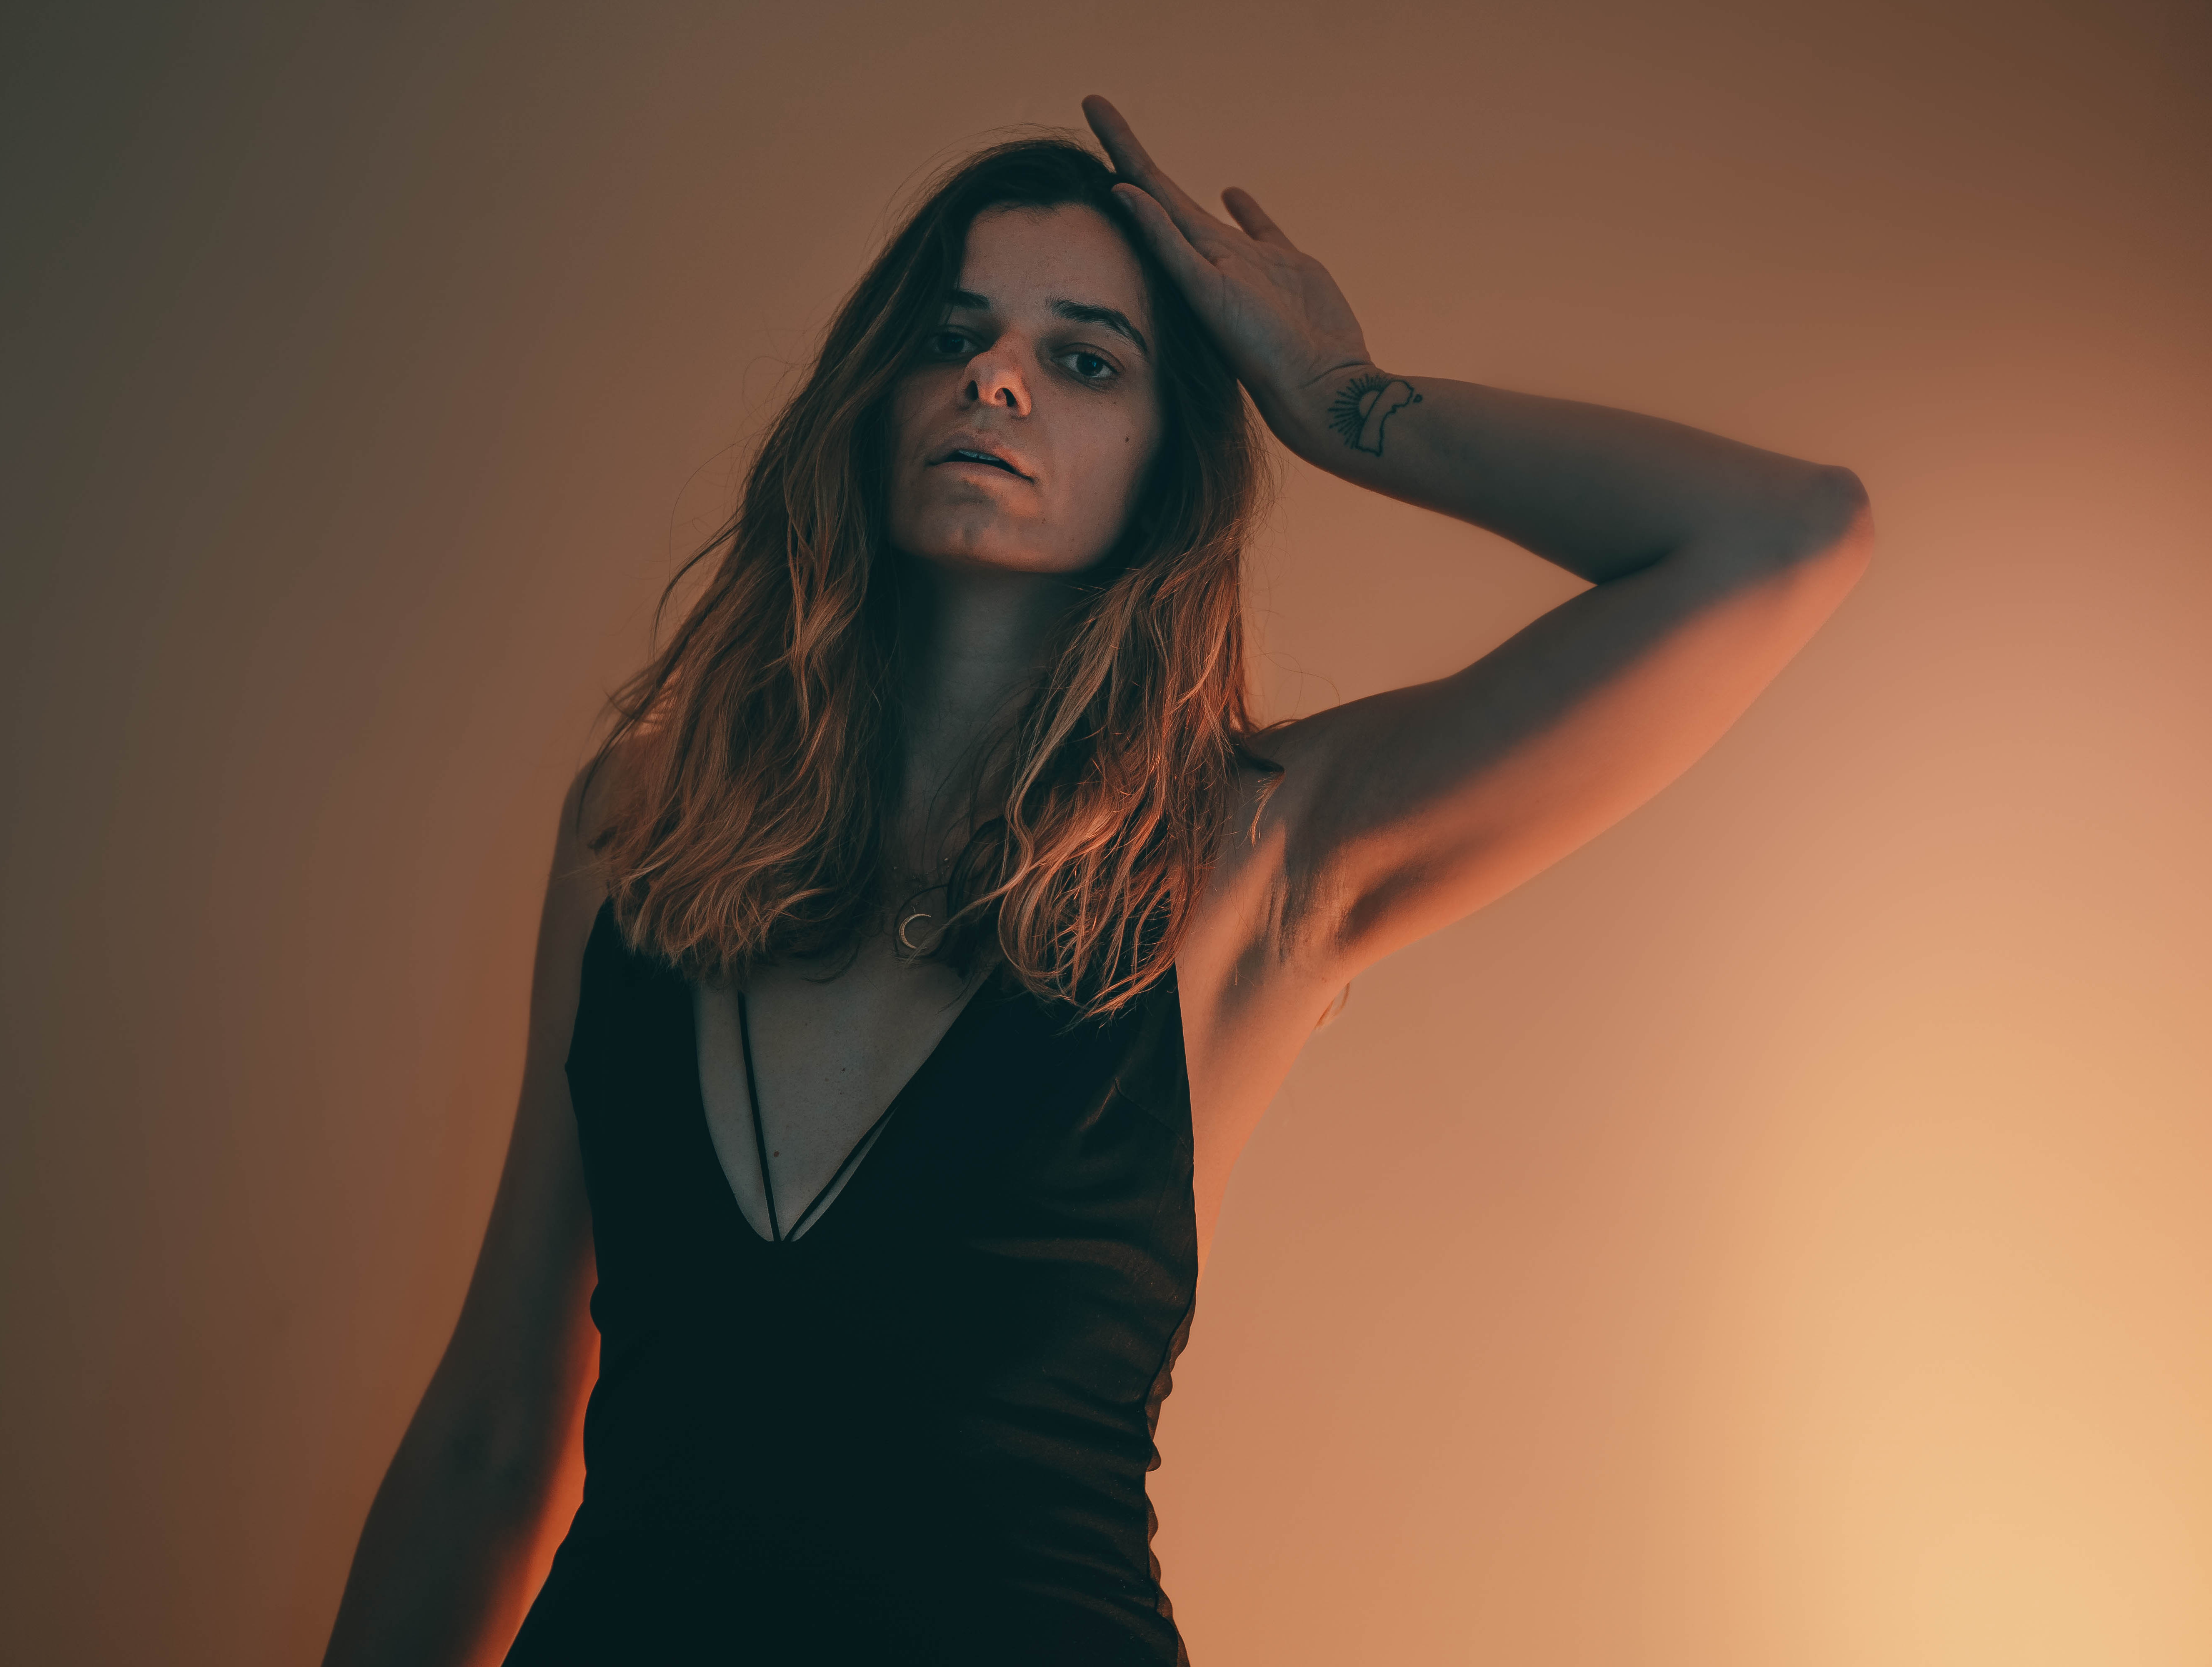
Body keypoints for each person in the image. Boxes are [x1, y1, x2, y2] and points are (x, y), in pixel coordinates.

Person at [318, 95, 1872, 1666]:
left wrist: (1346, 402)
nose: (995, 378)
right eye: (954, 335)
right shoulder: (647, 824)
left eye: (1084, 360)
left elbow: (1783, 539)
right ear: (873, 397)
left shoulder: (1258, 855)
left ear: (1166, 461)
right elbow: (495, 1437)